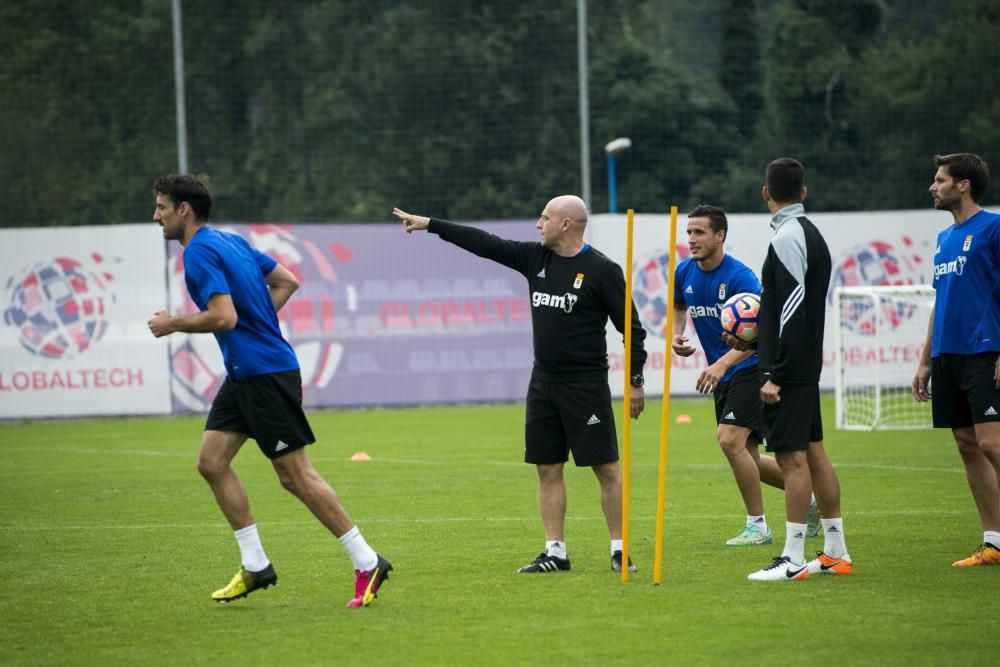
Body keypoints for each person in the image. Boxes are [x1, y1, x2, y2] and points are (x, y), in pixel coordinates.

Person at [148, 174, 392, 607]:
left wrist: (173, 324)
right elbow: (287, 281)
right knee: (211, 462)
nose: (157, 216)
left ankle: (367, 559)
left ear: (184, 210)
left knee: (295, 476)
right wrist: (257, 322)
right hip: (246, 374)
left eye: (162, 207)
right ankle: (256, 564)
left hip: (265, 374)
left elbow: (222, 317)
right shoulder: (232, 242)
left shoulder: (200, 253)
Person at [393, 195, 647, 573]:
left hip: (585, 385)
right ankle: (555, 551)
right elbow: (484, 243)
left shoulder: (602, 270)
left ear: (565, 224)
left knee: (605, 467)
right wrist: (431, 224)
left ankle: (619, 549)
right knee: (547, 467)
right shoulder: (535, 259)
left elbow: (633, 328)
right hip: (543, 383)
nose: (537, 224)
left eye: (544, 217)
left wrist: (636, 382)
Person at [732, 158, 853, 581]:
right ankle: (836, 552)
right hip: (801, 366)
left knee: (792, 461)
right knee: (815, 454)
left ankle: (793, 558)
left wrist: (776, 373)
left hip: (789, 371)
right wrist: (751, 339)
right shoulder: (809, 233)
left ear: (765, 193)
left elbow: (793, 305)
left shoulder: (787, 236)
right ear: (803, 192)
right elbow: (786, 308)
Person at [671, 204, 819, 546]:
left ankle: (758, 526)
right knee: (748, 456)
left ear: (720, 235)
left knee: (729, 440)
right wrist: (678, 335)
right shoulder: (684, 272)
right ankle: (808, 495)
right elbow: (679, 305)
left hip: (750, 367)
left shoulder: (741, 278)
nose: (691, 239)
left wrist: (723, 363)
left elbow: (763, 333)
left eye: (699, 232)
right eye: (688, 233)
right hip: (724, 376)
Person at [912, 153, 1000, 567]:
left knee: (991, 443)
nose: (933, 186)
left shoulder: (994, 228)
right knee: (967, 445)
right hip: (949, 354)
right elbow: (939, 299)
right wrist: (926, 358)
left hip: (985, 351)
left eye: (940, 179)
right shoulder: (946, 239)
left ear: (963, 185)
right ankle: (993, 542)